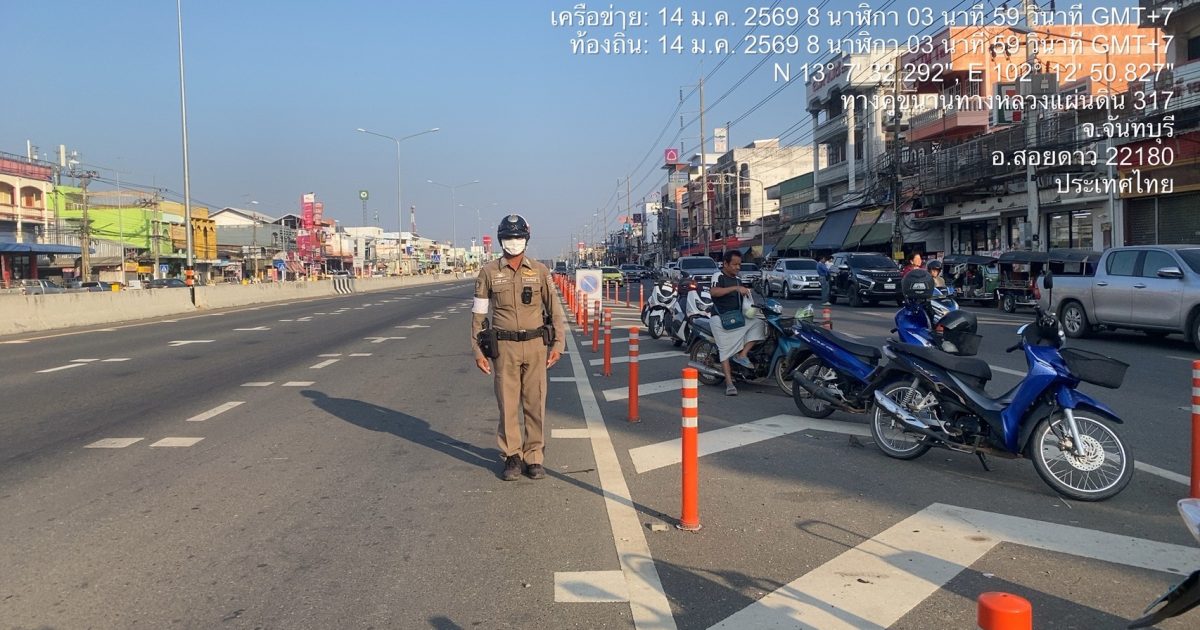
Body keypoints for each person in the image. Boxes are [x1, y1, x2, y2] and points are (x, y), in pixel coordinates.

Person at [471, 214, 566, 481]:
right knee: (508, 404)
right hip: (504, 348)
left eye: (518, 237)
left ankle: (534, 456)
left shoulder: (540, 271)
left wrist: (558, 343)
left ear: (526, 239)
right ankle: (512, 456)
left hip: (536, 345)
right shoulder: (488, 272)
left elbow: (555, 310)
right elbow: (478, 315)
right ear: (501, 240)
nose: (514, 242)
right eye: (509, 237)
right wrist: (478, 351)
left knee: (535, 403)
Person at [708, 250, 767, 397]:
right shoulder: (718, 276)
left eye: (739, 265)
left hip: (737, 318)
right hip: (720, 319)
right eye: (734, 264)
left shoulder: (738, 279)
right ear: (725, 263)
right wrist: (735, 288)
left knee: (759, 324)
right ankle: (729, 384)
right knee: (725, 350)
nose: (738, 267)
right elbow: (714, 292)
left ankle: (742, 355)